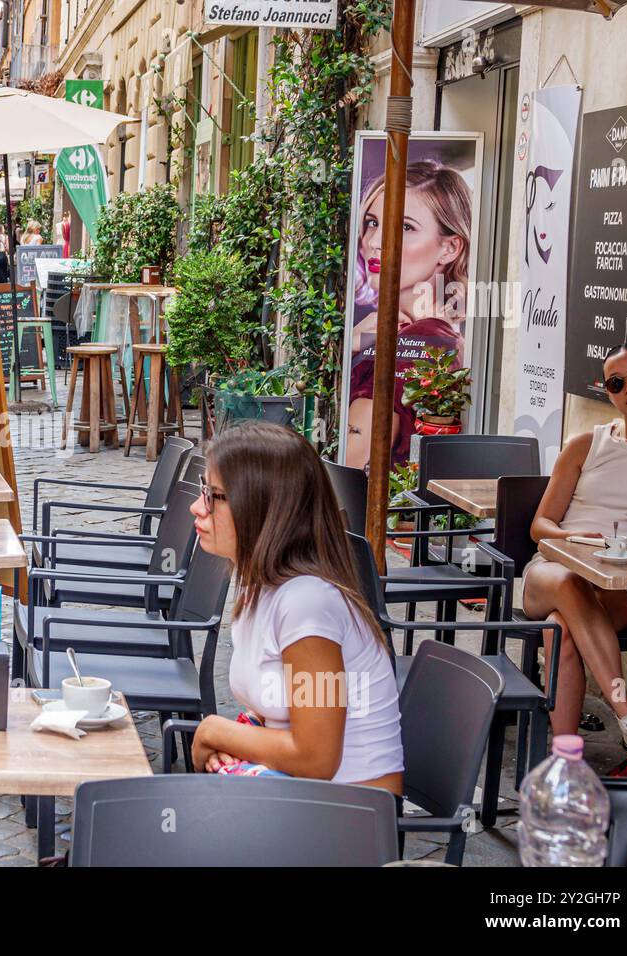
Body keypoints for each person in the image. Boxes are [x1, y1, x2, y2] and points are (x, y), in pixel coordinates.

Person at [188, 421, 404, 794]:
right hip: (305, 800)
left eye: (213, 495)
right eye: (202, 490)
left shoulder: (307, 605)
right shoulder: (264, 589)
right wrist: (236, 740)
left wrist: (215, 730)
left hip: (349, 816)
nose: (197, 506)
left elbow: (316, 757)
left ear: (261, 507)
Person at [523, 342, 627, 752]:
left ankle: (564, 755)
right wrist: (576, 539)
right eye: (616, 382)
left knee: (561, 630)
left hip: (618, 582)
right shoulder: (586, 444)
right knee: (569, 586)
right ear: (608, 393)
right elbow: (540, 526)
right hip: (554, 567)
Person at [344, 161, 472, 469]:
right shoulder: (434, 335)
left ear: (450, 248)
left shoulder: (418, 341)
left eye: (405, 227)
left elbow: (350, 460)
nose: (374, 243)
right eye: (373, 223)